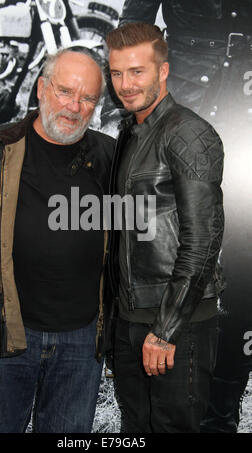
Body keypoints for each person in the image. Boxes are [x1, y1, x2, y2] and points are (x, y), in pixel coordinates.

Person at [0, 49, 115, 433]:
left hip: (82, 340)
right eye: (64, 91)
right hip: (8, 333)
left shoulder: (110, 158)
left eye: (88, 97)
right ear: (41, 88)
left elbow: (134, 237)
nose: (74, 106)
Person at [108, 0, 252, 433]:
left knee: (244, 262)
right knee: (162, 253)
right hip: (181, 92)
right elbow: (133, 23)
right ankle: (159, 404)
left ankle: (221, 412)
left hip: (244, 102)